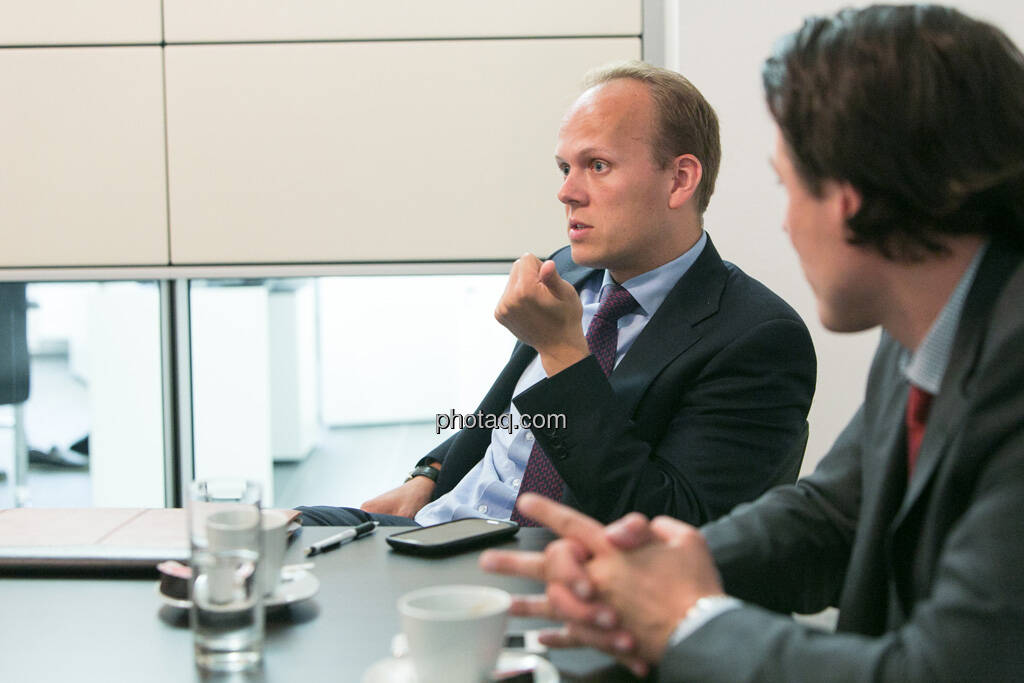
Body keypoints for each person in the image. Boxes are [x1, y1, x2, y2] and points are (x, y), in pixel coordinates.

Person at [480, 5, 1024, 681]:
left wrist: (684, 616)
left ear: (856, 195)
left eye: (786, 186)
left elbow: (941, 670)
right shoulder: (931, 332)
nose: (788, 226)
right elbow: (830, 513)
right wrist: (669, 562)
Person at [298, 61, 815, 528]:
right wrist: (429, 474)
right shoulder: (567, 270)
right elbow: (505, 416)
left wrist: (565, 355)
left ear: (679, 180)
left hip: (547, 579)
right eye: (565, 168)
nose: (567, 191)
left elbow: (671, 526)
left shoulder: (757, 337)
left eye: (597, 165)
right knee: (263, 536)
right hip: (440, 525)